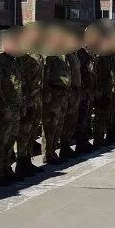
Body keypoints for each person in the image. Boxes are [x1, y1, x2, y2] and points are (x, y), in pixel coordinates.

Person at [0, 27, 23, 185]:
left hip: (15, 107)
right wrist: (4, 108)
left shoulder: (13, 60)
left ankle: (7, 168)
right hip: (5, 109)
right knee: (0, 141)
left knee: (10, 140)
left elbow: (18, 85)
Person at [15, 23, 45, 178]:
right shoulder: (21, 51)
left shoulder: (37, 50)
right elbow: (19, 78)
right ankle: (21, 163)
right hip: (27, 98)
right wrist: (24, 99)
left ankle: (27, 161)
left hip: (37, 97)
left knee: (32, 131)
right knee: (23, 132)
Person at [41, 24, 72, 165]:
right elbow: (45, 76)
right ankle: (47, 154)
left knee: (58, 125)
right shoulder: (49, 54)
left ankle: (53, 151)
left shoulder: (62, 53)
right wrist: (47, 93)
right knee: (49, 125)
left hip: (63, 94)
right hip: (53, 94)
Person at [74, 26, 98, 154]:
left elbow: (93, 72)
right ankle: (79, 143)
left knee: (87, 116)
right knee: (81, 118)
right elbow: (79, 72)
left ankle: (84, 141)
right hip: (83, 91)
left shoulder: (91, 52)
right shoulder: (81, 53)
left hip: (90, 90)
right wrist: (82, 89)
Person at [59, 26, 82, 159]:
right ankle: (63, 147)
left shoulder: (74, 54)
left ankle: (66, 145)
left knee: (72, 120)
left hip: (75, 91)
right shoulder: (64, 54)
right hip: (68, 92)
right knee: (65, 121)